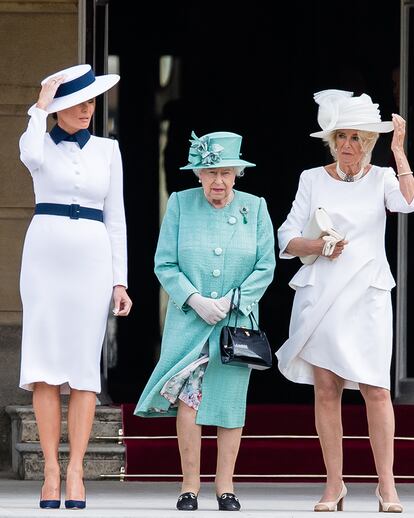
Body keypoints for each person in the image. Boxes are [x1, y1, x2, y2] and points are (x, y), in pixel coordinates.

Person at [276, 89, 413, 513]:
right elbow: (287, 237)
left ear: (369, 142)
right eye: (341, 138)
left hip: (368, 294)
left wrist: (400, 153)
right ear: (331, 141)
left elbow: (408, 202)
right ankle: (334, 484)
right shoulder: (310, 178)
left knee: (376, 389)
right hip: (323, 295)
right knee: (326, 390)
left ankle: (386, 486)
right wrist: (318, 247)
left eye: (356, 138)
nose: (348, 145)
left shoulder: (383, 177)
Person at [135, 131, 275, 511]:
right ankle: (189, 486)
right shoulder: (180, 204)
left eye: (226, 172)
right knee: (190, 401)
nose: (218, 181)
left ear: (237, 174)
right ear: (197, 172)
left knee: (229, 402)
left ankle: (225, 486)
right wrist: (194, 299)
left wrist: (235, 299)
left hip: (235, 322)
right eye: (210, 172)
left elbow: (266, 265)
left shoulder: (256, 207)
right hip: (190, 321)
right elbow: (164, 263)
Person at [18, 64, 132, 510]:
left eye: (89, 102)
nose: (86, 109)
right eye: (76, 103)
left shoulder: (108, 149)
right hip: (45, 256)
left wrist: (120, 281)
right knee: (45, 364)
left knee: (84, 368)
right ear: (58, 109)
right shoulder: (40, 144)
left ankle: (76, 469)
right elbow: (27, 154)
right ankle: (50, 470)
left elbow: (117, 219)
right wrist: (40, 105)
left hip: (92, 258)